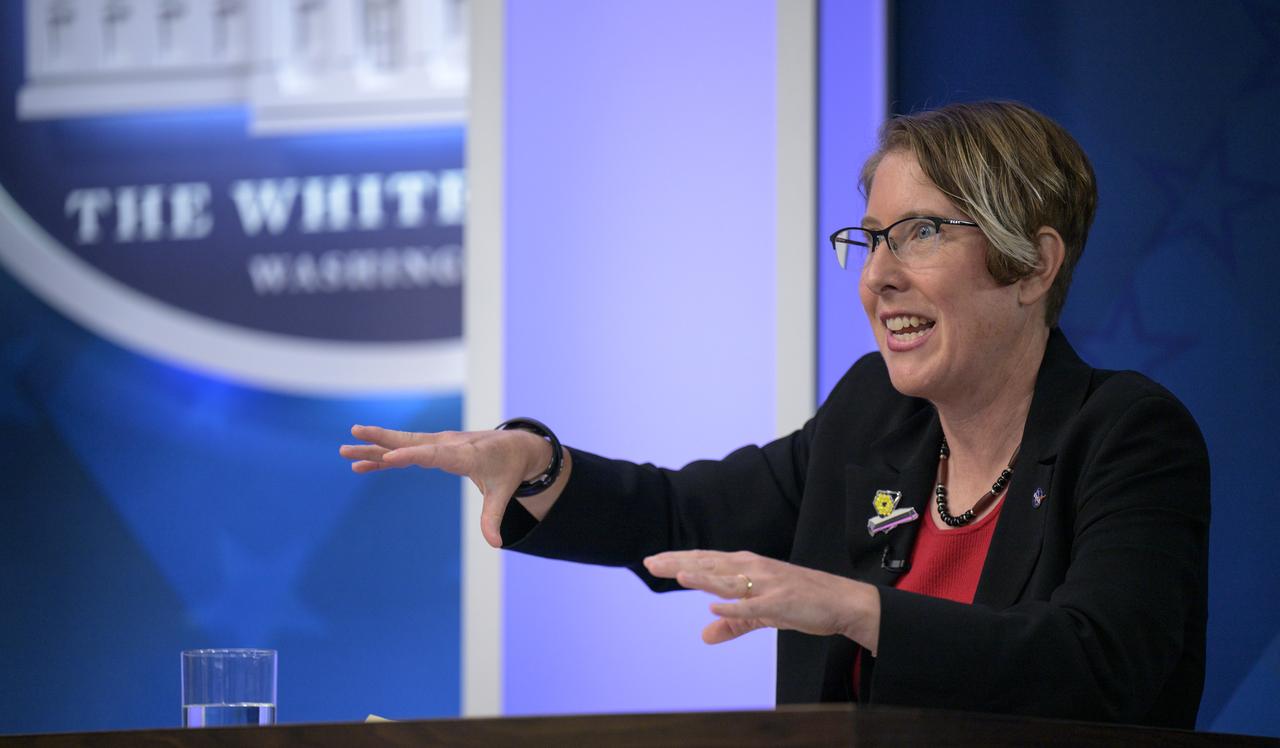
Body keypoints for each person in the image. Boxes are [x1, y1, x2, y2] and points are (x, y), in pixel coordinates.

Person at [340, 101, 1210, 729]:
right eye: (871, 239)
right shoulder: (873, 419)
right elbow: (686, 516)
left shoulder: (1127, 435)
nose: (878, 277)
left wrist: (855, 608)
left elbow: (1100, 667)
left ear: (1033, 266)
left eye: (921, 234)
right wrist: (538, 468)